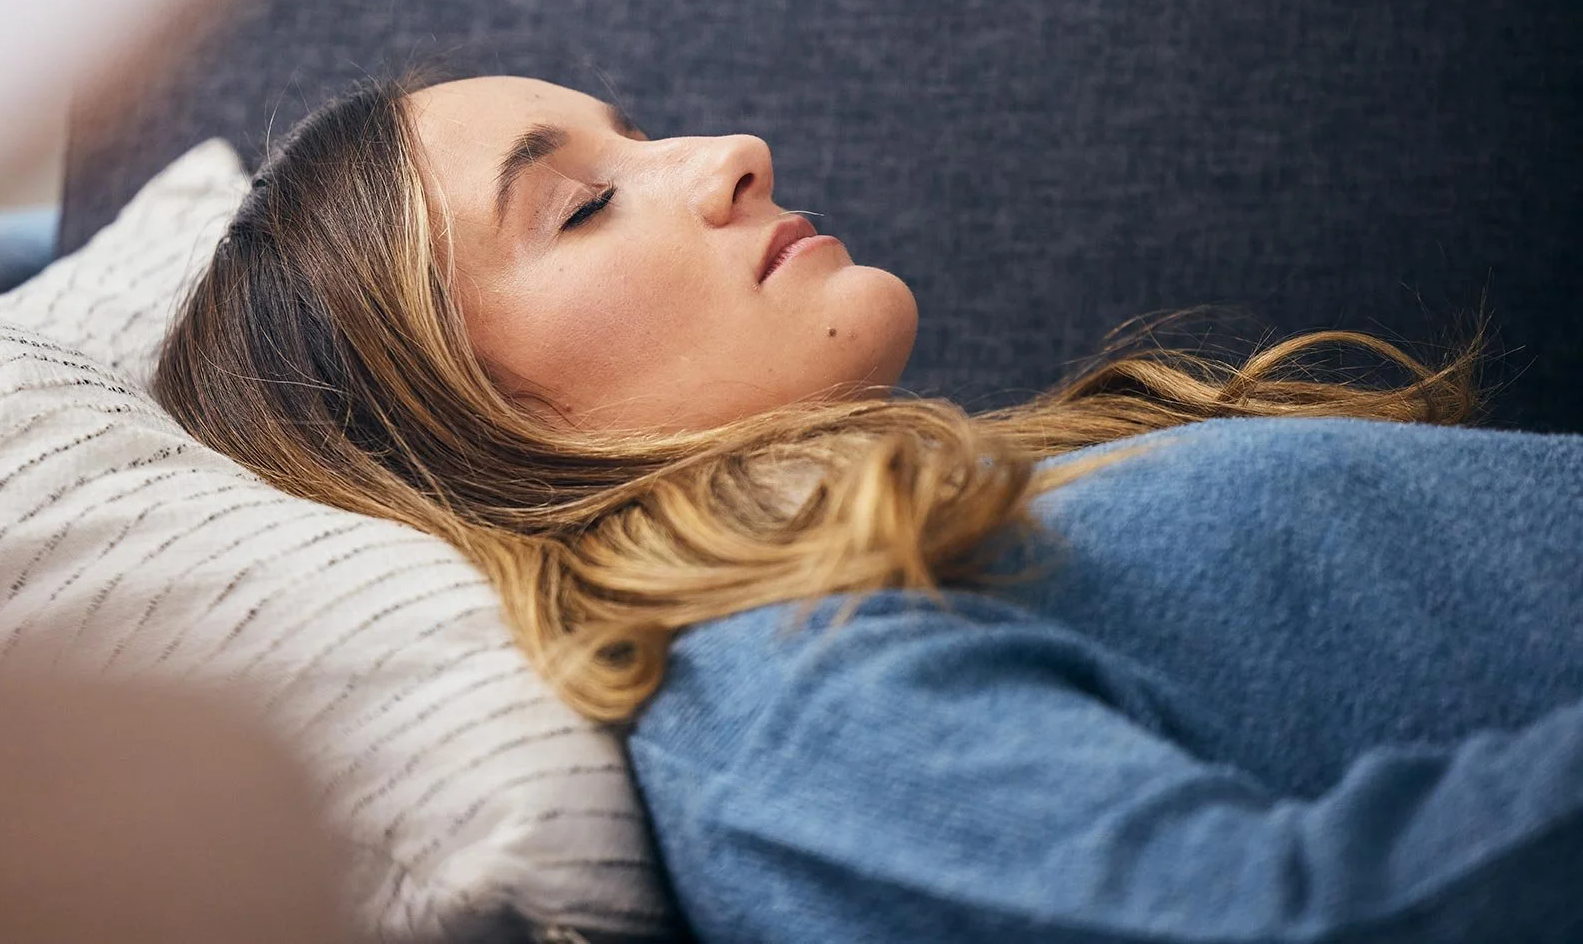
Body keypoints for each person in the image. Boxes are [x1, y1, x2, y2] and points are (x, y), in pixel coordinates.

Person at [155, 73, 1583, 944]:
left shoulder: (922, 544)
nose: (733, 150)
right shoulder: (790, 703)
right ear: (466, 436)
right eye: (583, 204)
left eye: (636, 133)